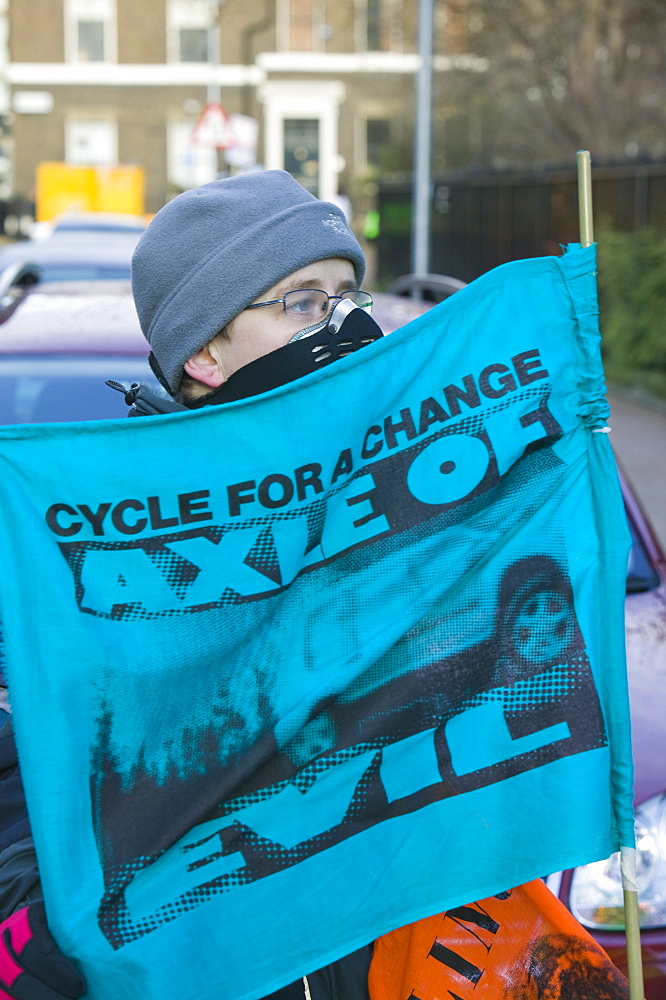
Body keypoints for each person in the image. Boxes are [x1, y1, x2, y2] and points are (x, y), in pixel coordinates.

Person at [0, 170, 382, 1000]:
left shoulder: (390, 514)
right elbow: (19, 805)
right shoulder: (82, 564)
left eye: (350, 292)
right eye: (305, 302)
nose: (349, 324)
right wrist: (74, 938)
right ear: (205, 353)